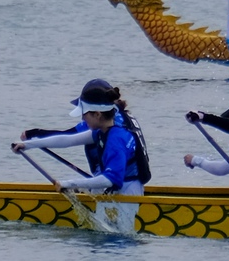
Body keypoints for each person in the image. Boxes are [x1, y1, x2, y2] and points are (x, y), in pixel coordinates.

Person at [14, 79, 152, 196]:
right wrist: (28, 145)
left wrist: (67, 183)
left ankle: (87, 189)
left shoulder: (116, 138)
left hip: (127, 192)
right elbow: (68, 140)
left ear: (97, 114)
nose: (82, 118)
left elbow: (110, 179)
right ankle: (88, 189)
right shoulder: (103, 130)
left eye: (84, 114)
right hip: (120, 187)